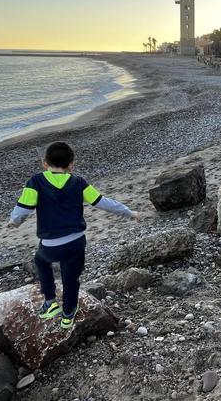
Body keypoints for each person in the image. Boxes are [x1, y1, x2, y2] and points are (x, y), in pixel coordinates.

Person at [9, 141, 138, 329]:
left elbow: (22, 210)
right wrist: (129, 212)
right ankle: (68, 316)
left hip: (50, 245)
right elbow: (103, 202)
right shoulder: (78, 182)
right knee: (71, 279)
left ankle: (50, 302)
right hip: (76, 243)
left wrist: (14, 221)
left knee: (41, 261)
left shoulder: (36, 182)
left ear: (44, 163)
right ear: (71, 165)